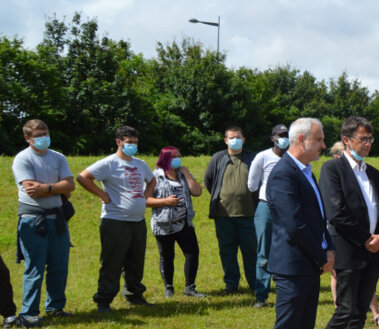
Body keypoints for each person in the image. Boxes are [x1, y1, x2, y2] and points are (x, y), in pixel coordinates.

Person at [265, 118, 337, 329]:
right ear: (302, 139)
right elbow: (295, 225)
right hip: (293, 265)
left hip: (309, 262)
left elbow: (319, 217)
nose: (323, 145)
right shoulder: (283, 174)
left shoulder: (306, 171)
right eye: (319, 140)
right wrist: (321, 255)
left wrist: (329, 246)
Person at [314, 117, 379, 329]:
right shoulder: (332, 169)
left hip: (373, 251)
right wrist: (365, 239)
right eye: (363, 139)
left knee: (360, 310)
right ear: (347, 140)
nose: (368, 144)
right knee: (345, 308)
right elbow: (336, 213)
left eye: (370, 139)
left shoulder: (373, 173)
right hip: (348, 249)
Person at [77, 125, 155, 312]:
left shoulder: (140, 164)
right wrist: (102, 195)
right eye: (129, 142)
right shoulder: (109, 163)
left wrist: (145, 197)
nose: (133, 146)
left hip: (137, 221)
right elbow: (83, 178)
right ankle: (104, 300)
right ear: (119, 142)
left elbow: (152, 180)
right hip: (115, 221)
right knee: (112, 262)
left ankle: (134, 294)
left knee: (135, 261)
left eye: (135, 143)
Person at [11, 119, 75, 326]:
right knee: (35, 267)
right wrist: (58, 187)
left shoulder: (58, 157)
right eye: (37, 136)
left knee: (59, 266)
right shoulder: (22, 159)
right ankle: (28, 312)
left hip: (57, 219)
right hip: (33, 221)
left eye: (44, 133)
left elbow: (70, 185)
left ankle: (56, 307)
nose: (43, 138)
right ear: (27, 138)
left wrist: (47, 188)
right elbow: (31, 189)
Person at [203, 127, 259, 300]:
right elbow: (208, 180)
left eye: (238, 137)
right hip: (223, 215)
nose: (235, 140)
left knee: (251, 251)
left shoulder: (253, 158)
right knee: (227, 251)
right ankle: (231, 284)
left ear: (244, 139)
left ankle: (255, 283)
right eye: (231, 138)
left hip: (249, 214)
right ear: (225, 140)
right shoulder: (218, 158)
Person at [146, 147, 205, 298]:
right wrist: (165, 201)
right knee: (167, 255)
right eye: (174, 157)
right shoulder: (155, 176)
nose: (178, 159)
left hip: (185, 223)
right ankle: (169, 287)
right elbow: (145, 200)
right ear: (165, 159)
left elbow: (198, 192)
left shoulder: (182, 175)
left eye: (179, 156)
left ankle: (190, 288)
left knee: (192, 253)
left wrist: (187, 174)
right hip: (163, 224)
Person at [247, 124, 289, 308]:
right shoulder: (262, 156)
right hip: (266, 208)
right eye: (281, 135)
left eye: (287, 135)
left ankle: (286, 293)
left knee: (287, 251)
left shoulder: (293, 157)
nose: (284, 138)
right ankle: (261, 295)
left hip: (288, 210)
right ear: (273, 137)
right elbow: (252, 185)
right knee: (264, 252)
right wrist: (266, 200)